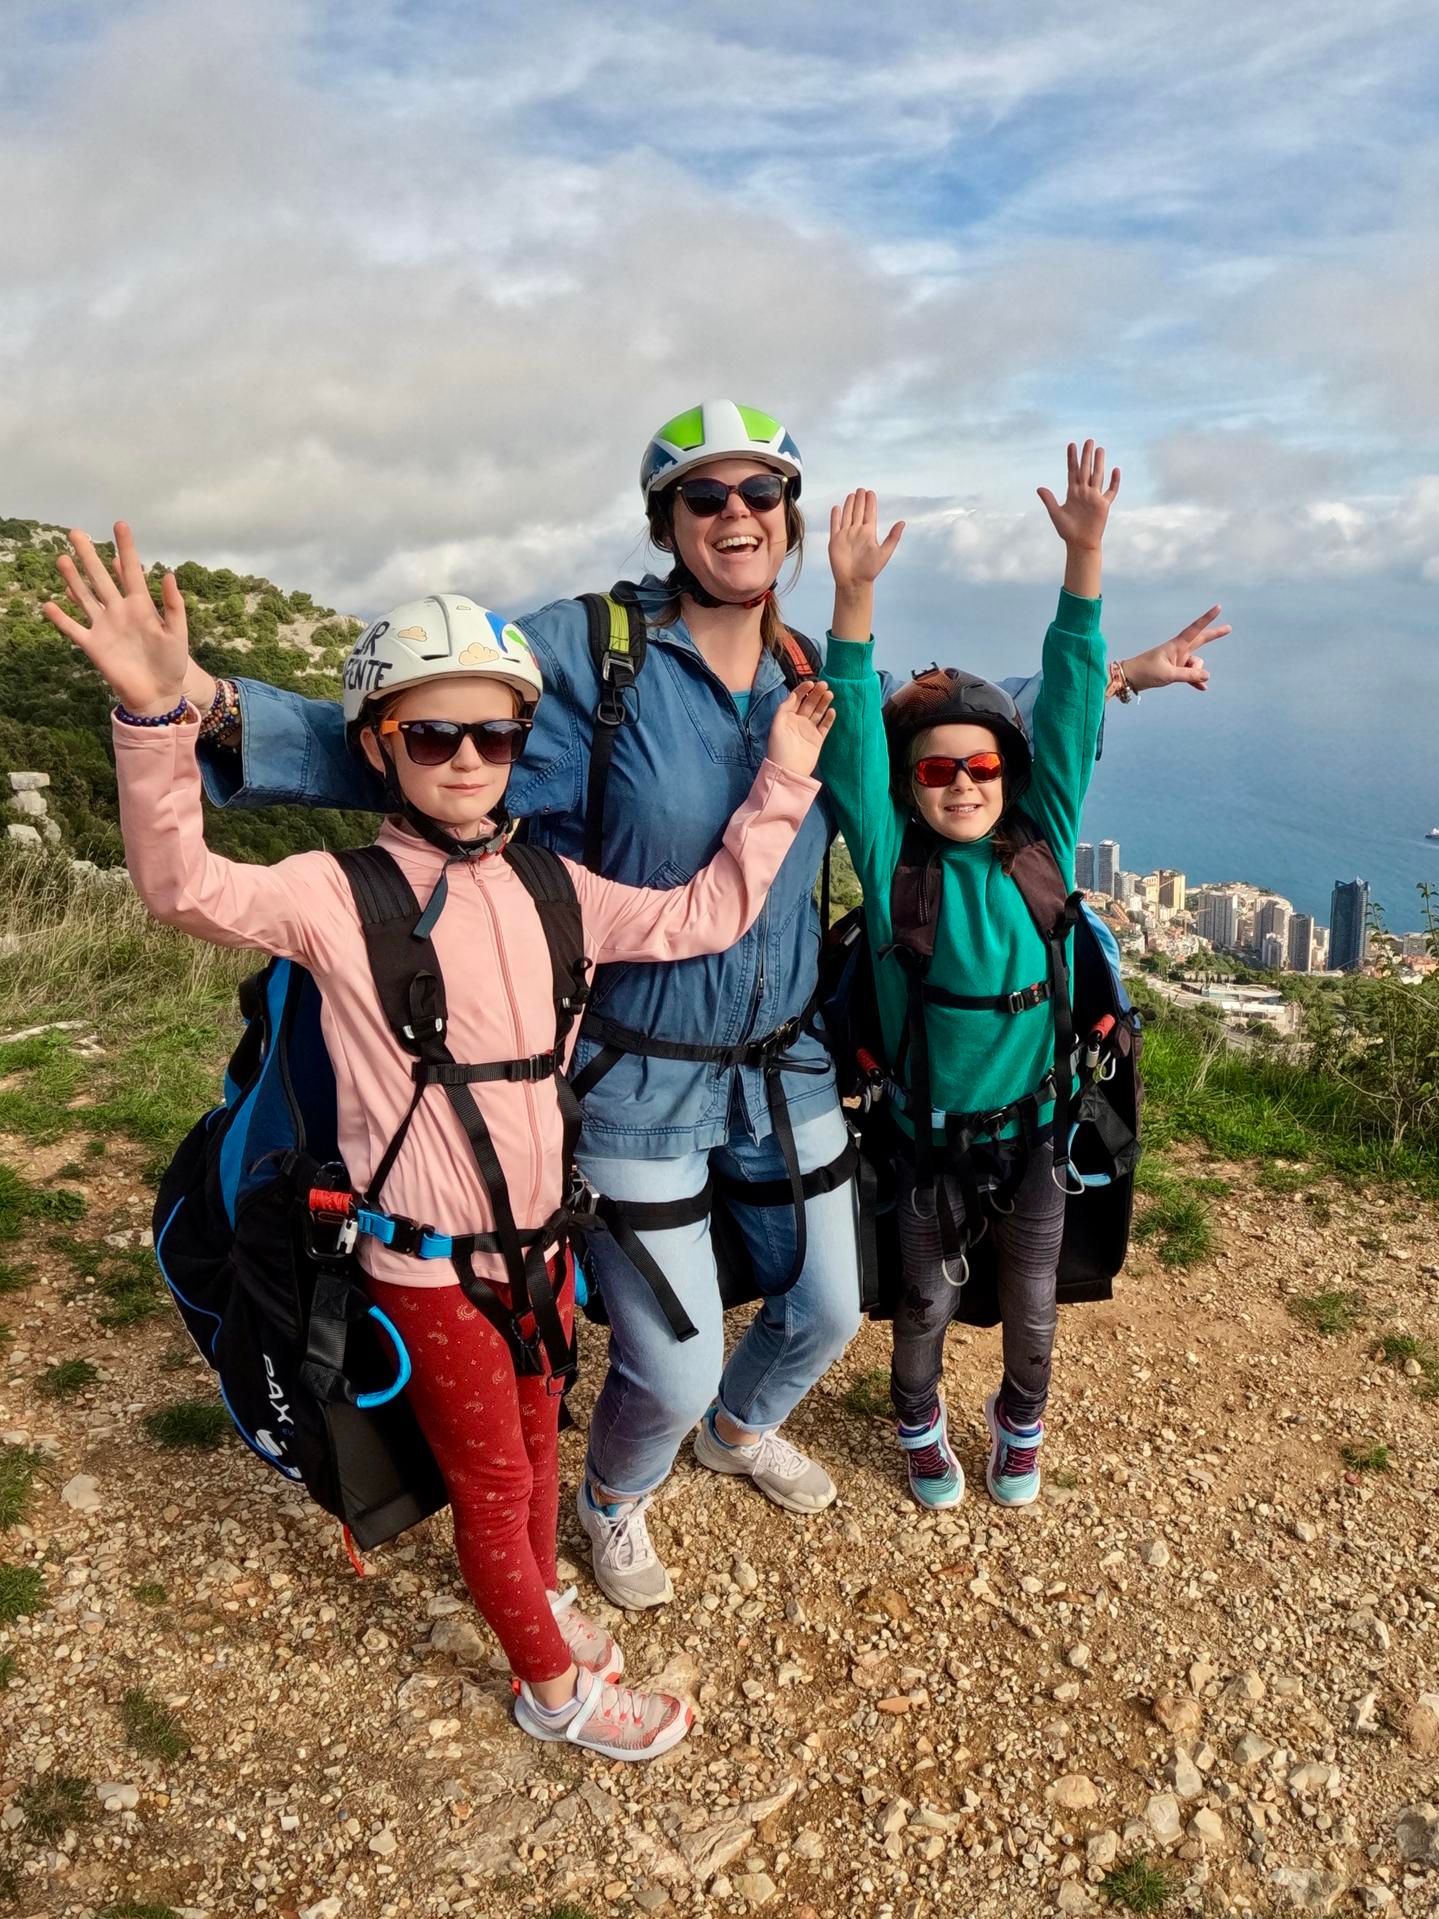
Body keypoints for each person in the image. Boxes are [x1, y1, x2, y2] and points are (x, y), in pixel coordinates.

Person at [140, 401, 1228, 1607]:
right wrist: (218, 706)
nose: (735, 516)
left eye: (761, 494)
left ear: (790, 518)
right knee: (669, 1352)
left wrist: (1118, 672)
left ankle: (737, 1427)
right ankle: (615, 1495)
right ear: (666, 519)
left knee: (825, 1303)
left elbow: (929, 730)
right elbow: (421, 725)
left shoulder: (811, 669)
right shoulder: (591, 649)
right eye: (704, 496)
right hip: (634, 1065)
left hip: (789, 1056)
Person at [43, 524, 836, 1756]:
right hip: (422, 1264)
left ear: (524, 748)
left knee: (530, 1441)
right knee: (499, 1483)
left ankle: (543, 1605)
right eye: (431, 734)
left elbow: (705, 913)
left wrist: (782, 773)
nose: (468, 759)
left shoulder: (555, 889)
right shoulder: (331, 891)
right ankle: (552, 1689)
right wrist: (157, 723)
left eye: (496, 735)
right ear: (379, 746)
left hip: (540, 1249)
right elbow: (183, 888)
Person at [820, 444, 1138, 1510]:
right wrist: (852, 600)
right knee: (917, 1302)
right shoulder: (893, 859)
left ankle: (1018, 1424)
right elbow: (853, 745)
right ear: (909, 786)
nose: (962, 783)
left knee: (1033, 1298)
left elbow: (1069, 707)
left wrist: (1083, 564)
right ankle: (916, 1423)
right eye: (937, 769)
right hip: (926, 1136)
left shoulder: (1040, 843)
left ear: (1012, 776)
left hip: (1036, 1128)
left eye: (982, 766)